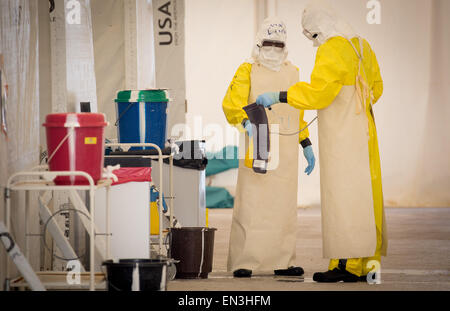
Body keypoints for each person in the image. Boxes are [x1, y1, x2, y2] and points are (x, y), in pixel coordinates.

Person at [256, 1, 387, 282]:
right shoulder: (363, 45)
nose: (314, 42)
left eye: (312, 35)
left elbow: (318, 94)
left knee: (342, 196)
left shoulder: (332, 48)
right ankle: (365, 264)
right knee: (364, 196)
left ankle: (346, 266)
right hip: (365, 129)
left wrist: (281, 96)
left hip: (341, 134)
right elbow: (377, 88)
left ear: (320, 29)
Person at [222, 17, 315, 278]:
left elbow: (299, 112)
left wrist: (306, 143)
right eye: (268, 43)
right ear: (258, 43)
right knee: (251, 204)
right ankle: (244, 261)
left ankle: (283, 261)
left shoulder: (293, 72)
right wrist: (244, 121)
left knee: (283, 207)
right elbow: (231, 103)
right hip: (258, 143)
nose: (273, 49)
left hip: (286, 150)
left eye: (278, 44)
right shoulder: (247, 70)